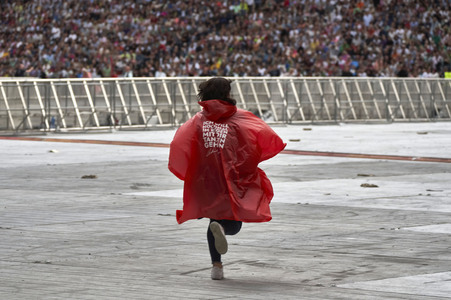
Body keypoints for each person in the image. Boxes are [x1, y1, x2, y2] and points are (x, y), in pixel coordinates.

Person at [168, 77, 286, 280]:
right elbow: (260, 137)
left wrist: (190, 171)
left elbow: (180, 143)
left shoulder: (197, 120)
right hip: (231, 178)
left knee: (214, 217)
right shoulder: (240, 118)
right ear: (226, 94)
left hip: (206, 180)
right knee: (234, 222)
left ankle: (217, 267)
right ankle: (222, 229)